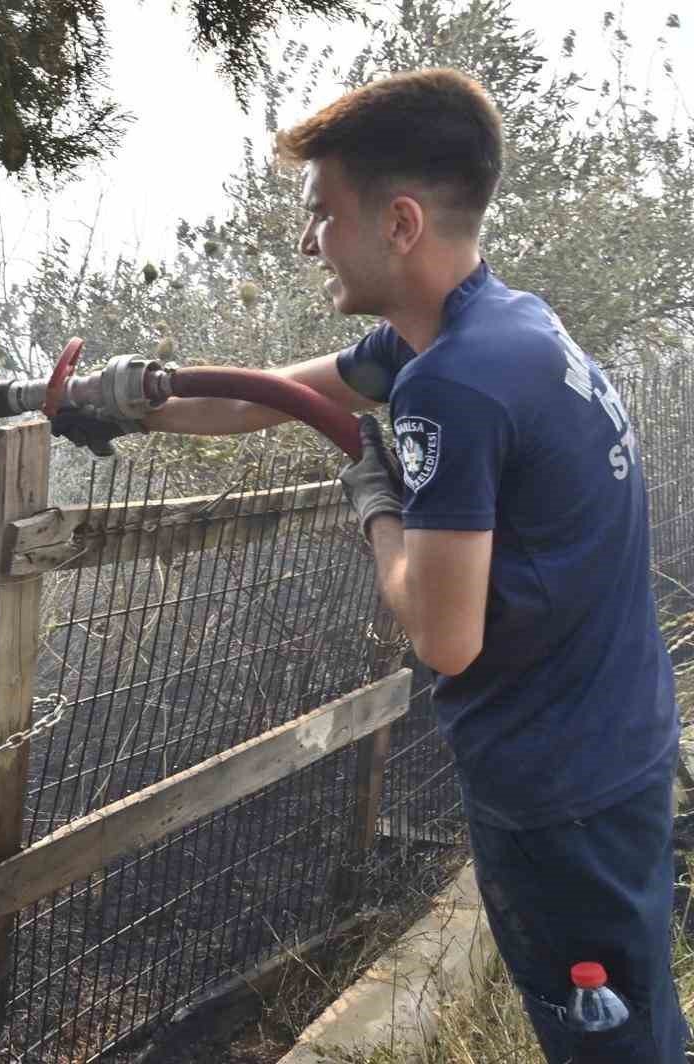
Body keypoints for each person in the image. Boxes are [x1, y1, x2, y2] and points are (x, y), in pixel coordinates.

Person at [54, 68, 687, 1062]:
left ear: (396, 222)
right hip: (612, 747)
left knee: (609, 1043)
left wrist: (373, 497)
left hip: (560, 793)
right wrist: (129, 400)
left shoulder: (451, 384)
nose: (308, 240)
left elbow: (440, 631)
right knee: (634, 1013)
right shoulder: (493, 326)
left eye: (321, 215)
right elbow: (273, 396)